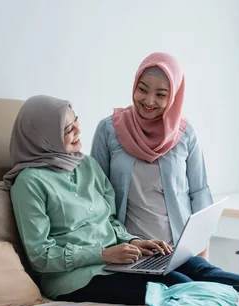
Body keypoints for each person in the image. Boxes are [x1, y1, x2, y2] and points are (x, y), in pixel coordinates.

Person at [6, 95, 239, 305]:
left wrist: (134, 241)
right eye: (67, 129)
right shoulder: (29, 183)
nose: (78, 130)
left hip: (117, 260)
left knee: (198, 268)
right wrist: (104, 254)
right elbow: (40, 257)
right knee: (179, 284)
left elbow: (109, 221)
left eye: (75, 120)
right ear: (42, 136)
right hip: (77, 279)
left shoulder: (86, 165)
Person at [91, 52, 212, 259]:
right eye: (142, 90)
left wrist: (202, 256)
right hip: (129, 252)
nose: (149, 101)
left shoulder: (185, 133)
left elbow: (199, 193)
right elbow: (95, 196)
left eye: (161, 95)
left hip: (179, 251)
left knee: (221, 287)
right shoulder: (109, 130)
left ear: (173, 96)